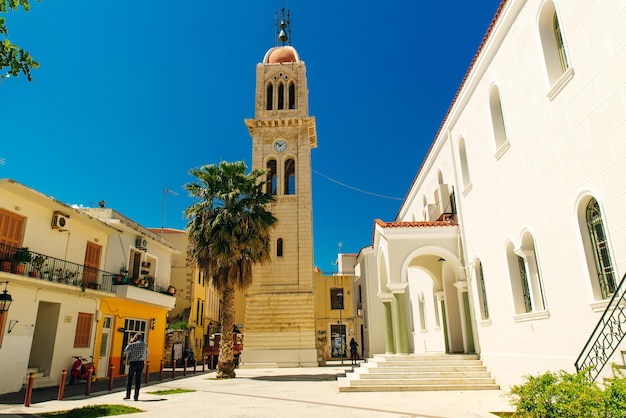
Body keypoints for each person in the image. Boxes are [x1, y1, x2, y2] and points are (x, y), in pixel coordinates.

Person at [123, 333, 148, 401]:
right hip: (141, 363)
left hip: (133, 362)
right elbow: (146, 355)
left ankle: (128, 395)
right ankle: (136, 396)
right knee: (138, 379)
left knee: (130, 378)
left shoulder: (133, 344)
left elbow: (125, 351)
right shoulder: (145, 345)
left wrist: (130, 343)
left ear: (135, 338)